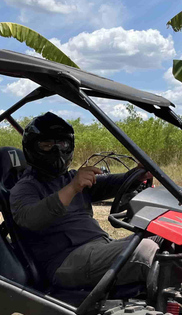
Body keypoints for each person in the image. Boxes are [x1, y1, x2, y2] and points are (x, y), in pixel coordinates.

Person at [10, 112, 159, 289]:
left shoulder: (70, 178)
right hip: (64, 261)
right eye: (47, 145)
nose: (56, 151)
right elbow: (31, 218)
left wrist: (135, 174)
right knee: (144, 250)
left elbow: (111, 183)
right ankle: (180, 308)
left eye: (62, 144)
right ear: (32, 147)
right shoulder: (25, 187)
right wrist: (72, 188)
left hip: (100, 247)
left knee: (167, 239)